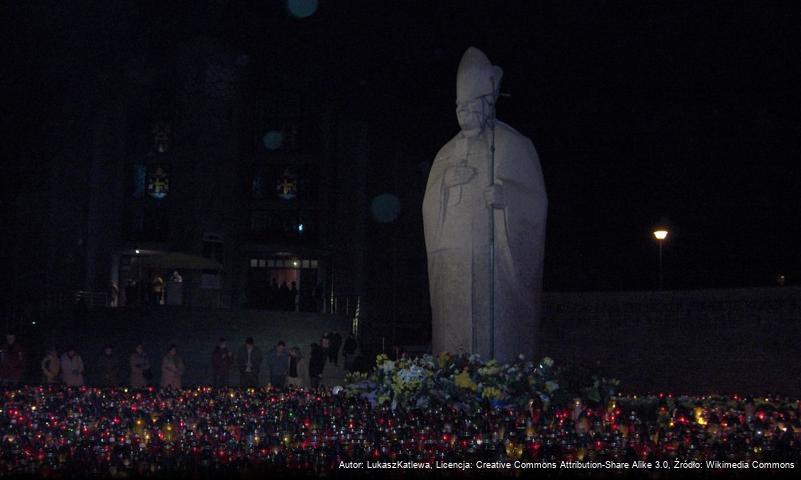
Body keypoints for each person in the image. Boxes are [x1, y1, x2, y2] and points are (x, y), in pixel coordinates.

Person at [422, 47, 547, 362]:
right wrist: (445, 186)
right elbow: (428, 205)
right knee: (453, 340)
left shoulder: (512, 145)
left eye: (472, 105)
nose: (465, 113)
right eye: (460, 106)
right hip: (453, 263)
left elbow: (536, 202)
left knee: (495, 342)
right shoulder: (445, 154)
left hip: (494, 266)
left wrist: (508, 199)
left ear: (488, 104)